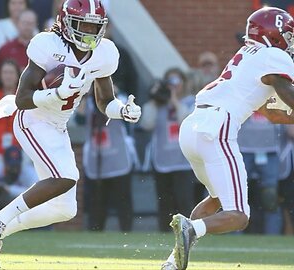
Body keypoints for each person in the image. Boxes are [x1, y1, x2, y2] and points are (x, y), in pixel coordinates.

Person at [0, 0, 142, 269]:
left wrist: (122, 110)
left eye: (94, 26)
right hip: (32, 120)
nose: (88, 32)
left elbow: (104, 100)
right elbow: (22, 98)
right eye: (83, 25)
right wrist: (58, 93)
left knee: (65, 209)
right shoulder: (47, 45)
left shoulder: (105, 53)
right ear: (65, 22)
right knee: (65, 177)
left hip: (58, 126)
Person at [161, 7, 294, 270]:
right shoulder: (273, 55)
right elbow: (288, 94)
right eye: (288, 36)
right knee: (239, 216)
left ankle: (171, 264)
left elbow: (273, 113)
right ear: (274, 34)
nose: (290, 43)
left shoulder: (248, 55)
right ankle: (191, 228)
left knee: (216, 199)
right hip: (218, 129)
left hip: (194, 127)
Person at [139, 68, 197, 232]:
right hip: (162, 160)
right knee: (164, 200)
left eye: (176, 83)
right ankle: (164, 231)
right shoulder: (158, 105)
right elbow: (146, 124)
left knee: (184, 200)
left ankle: (187, 232)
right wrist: (154, 100)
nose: (173, 87)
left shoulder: (191, 101)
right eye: (169, 84)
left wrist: (173, 101)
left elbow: (185, 121)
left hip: (183, 161)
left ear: (183, 84)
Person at [77, 93, 134, 232]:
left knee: (123, 199)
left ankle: (126, 230)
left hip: (118, 157)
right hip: (96, 159)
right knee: (97, 201)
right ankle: (95, 229)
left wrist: (112, 95)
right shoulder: (88, 102)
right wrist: (85, 96)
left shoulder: (120, 98)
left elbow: (129, 119)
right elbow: (79, 119)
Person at [237, 113, 282, 234]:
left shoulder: (277, 95)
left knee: (270, 197)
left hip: (270, 149)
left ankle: (273, 239)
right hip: (244, 148)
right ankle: (234, 234)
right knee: (237, 195)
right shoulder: (241, 94)